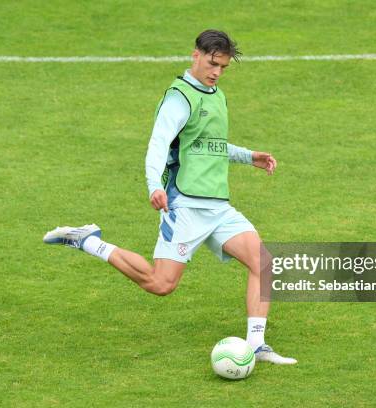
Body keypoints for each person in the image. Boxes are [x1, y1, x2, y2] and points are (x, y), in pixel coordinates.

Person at [43, 29, 296, 365]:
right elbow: (158, 144)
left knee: (263, 263)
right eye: (212, 63)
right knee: (160, 284)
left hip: (218, 207)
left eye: (222, 66)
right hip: (186, 206)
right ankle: (88, 241)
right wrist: (154, 185)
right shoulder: (179, 98)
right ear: (195, 55)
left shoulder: (215, 94)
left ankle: (257, 344)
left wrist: (249, 156)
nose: (216, 71)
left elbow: (211, 145)